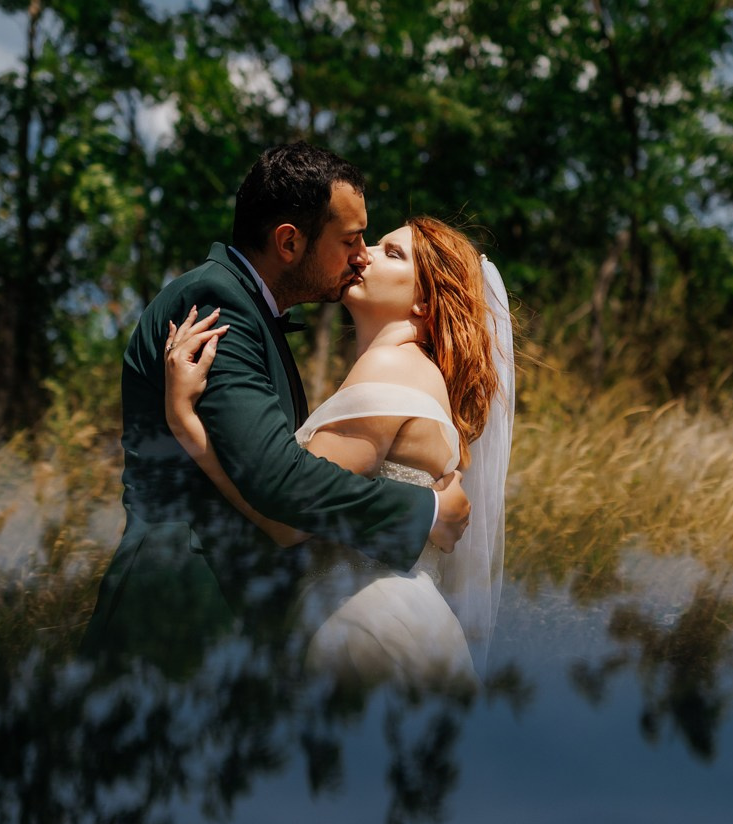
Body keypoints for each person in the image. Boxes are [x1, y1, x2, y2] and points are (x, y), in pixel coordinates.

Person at [80, 142, 472, 675]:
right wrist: (421, 511)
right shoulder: (220, 308)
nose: (361, 256)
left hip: (241, 619)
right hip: (178, 609)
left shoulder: (267, 321)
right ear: (289, 242)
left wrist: (188, 426)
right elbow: (281, 482)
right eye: (352, 241)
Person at [162, 215, 514, 689]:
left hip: (366, 626)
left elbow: (288, 517)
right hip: (402, 620)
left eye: (393, 253)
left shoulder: (391, 365)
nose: (363, 253)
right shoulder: (417, 372)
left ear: (423, 301)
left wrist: (185, 422)